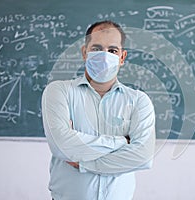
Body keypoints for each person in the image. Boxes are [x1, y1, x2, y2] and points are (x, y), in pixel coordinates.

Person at [42, 20, 156, 200]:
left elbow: (143, 157)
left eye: (112, 51)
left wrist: (84, 163)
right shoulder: (59, 92)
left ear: (122, 57)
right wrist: (122, 142)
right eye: (96, 49)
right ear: (84, 53)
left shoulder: (138, 101)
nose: (104, 56)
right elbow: (61, 147)